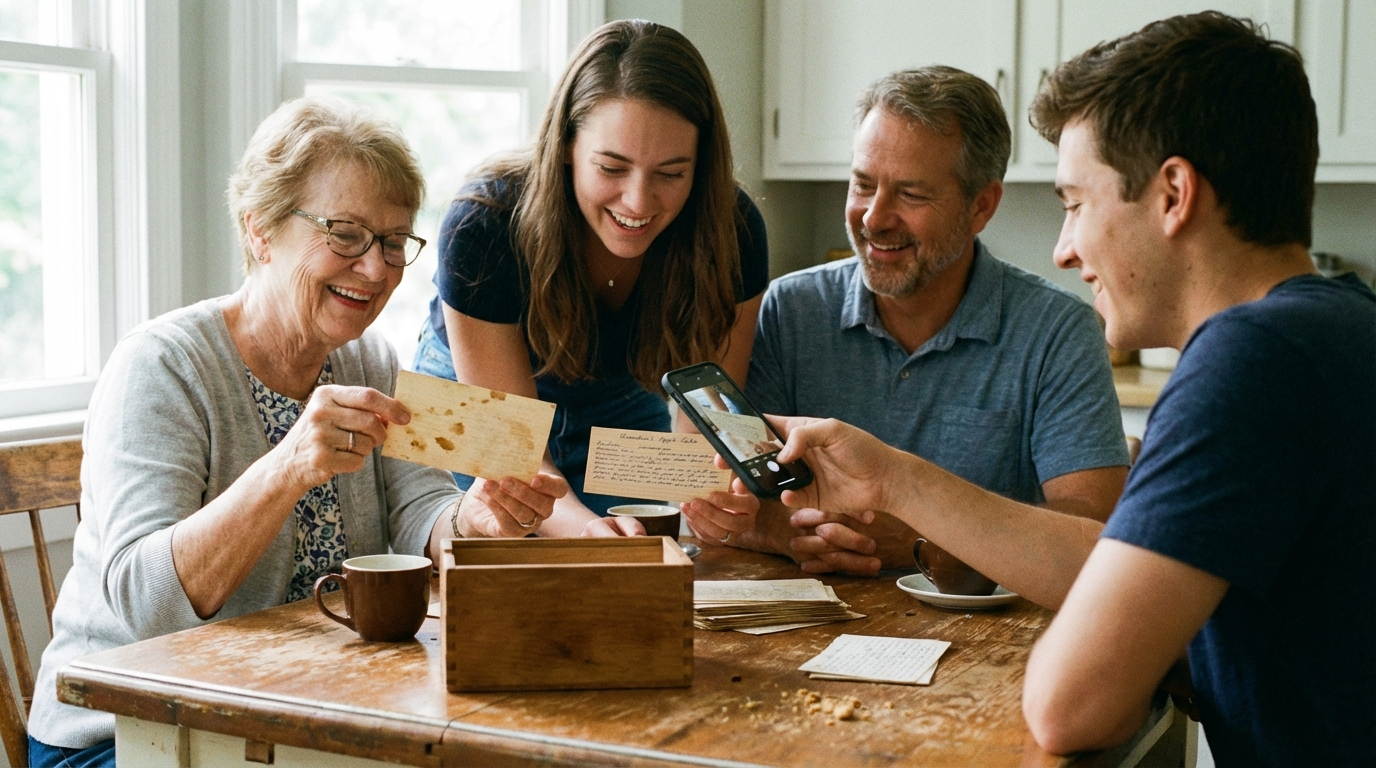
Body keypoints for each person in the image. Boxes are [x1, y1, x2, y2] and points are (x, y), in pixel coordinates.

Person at [762, 13, 1376, 765]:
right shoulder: (1337, 327)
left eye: (1076, 203)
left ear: (1174, 194)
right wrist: (890, 477)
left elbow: (1069, 708)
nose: (1062, 249)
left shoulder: (1250, 363)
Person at [26, 97, 563, 766]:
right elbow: (146, 608)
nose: (376, 268)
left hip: (303, 711)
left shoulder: (371, 359)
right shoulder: (161, 366)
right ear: (260, 230)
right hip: (128, 729)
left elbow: (422, 510)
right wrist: (288, 467)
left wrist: (475, 519)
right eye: (345, 233)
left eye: (394, 242)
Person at [684, 66, 1129, 567]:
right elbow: (738, 494)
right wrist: (785, 532)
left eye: (911, 194)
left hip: (987, 634)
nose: (874, 217)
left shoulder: (1056, 331)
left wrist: (920, 541)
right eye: (862, 185)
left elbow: (1093, 528)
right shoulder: (789, 311)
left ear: (981, 206)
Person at [413, 19, 766, 534]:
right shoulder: (482, 224)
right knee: (494, 550)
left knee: (645, 546)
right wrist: (587, 532)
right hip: (469, 399)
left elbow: (703, 439)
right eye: (611, 167)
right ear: (565, 148)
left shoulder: (732, 231)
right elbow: (516, 454)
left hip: (614, 402)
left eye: (671, 173)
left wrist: (709, 498)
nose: (638, 202)